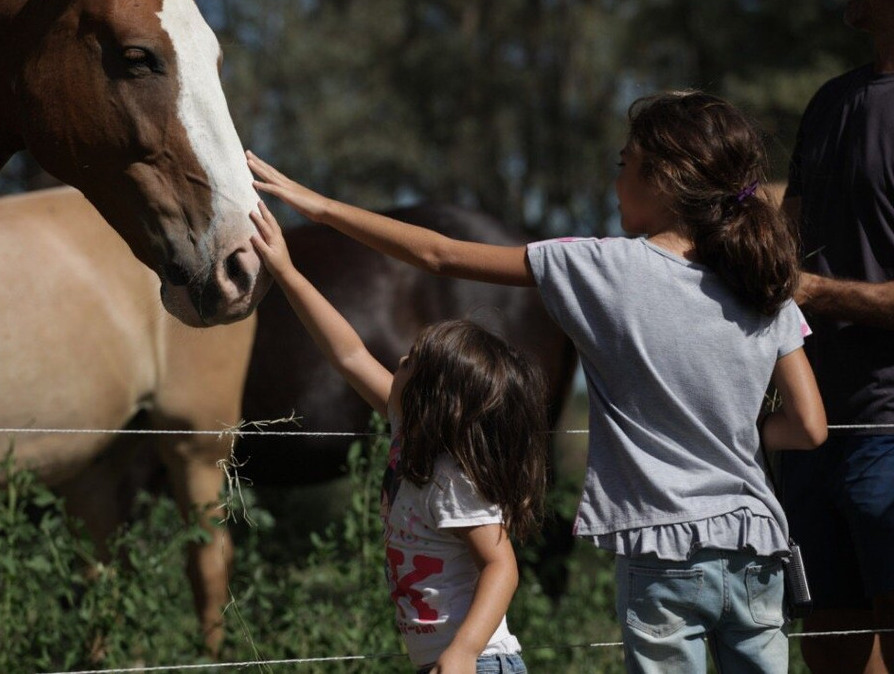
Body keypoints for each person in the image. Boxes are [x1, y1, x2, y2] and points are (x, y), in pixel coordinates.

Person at [248, 88, 828, 674]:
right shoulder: (763, 284)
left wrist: (315, 206)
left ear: (664, 178)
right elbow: (808, 427)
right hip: (758, 544)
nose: (616, 178)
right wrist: (735, 427)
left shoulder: (604, 266)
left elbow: (440, 254)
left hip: (662, 550)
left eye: (622, 163)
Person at [248, 200, 550, 674]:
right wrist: (285, 270)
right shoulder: (407, 426)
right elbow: (346, 352)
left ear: (435, 397)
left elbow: (501, 567)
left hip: (480, 664)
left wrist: (464, 651)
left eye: (410, 362)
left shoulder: (454, 479)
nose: (399, 362)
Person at [779, 0, 894, 674]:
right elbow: (788, 243)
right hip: (814, 434)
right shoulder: (829, 104)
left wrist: (813, 295)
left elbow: (805, 281)